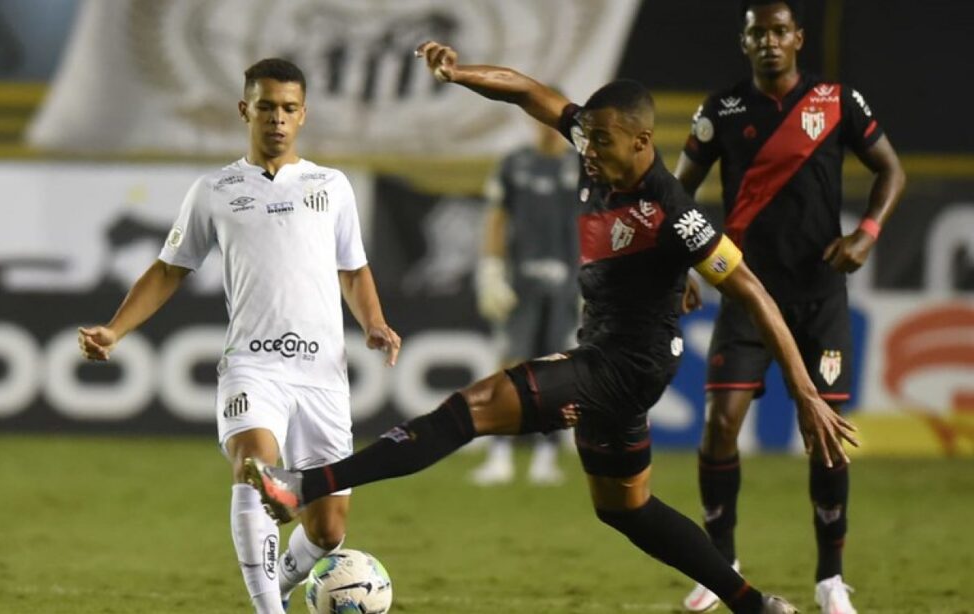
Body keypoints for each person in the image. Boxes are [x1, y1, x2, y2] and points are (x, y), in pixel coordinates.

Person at [245, 41, 861, 614]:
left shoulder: (672, 209)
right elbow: (526, 91)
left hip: (624, 366)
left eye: (601, 141)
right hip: (611, 357)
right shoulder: (596, 145)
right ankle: (757, 605)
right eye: (585, 137)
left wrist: (804, 390)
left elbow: (750, 288)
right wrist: (461, 74)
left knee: (474, 407)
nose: (587, 151)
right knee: (627, 508)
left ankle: (305, 485)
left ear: (643, 140)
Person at [77, 58, 401, 614]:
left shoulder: (332, 186)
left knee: (328, 531)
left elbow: (352, 268)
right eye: (268, 106)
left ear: (304, 116)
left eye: (289, 108)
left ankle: (273, 585)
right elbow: (168, 269)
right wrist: (115, 328)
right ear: (244, 109)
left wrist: (373, 322)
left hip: (323, 375)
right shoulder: (215, 190)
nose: (278, 118)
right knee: (256, 466)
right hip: (254, 366)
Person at [674, 2, 906, 612]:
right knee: (720, 424)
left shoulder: (835, 101)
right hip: (746, 293)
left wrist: (867, 234)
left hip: (819, 297)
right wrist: (680, 265)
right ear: (744, 41)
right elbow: (676, 194)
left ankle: (830, 578)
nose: (770, 42)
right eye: (758, 33)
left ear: (799, 38)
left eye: (780, 31)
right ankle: (719, 564)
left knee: (825, 438)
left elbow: (891, 170)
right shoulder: (720, 110)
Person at [470, 115, 581, 486]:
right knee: (510, 367)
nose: (547, 127)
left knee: (556, 372)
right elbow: (497, 217)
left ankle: (546, 456)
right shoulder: (514, 164)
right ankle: (499, 453)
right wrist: (490, 268)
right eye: (542, 120)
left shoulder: (582, 166)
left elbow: (596, 220)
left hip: (567, 282)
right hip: (521, 280)